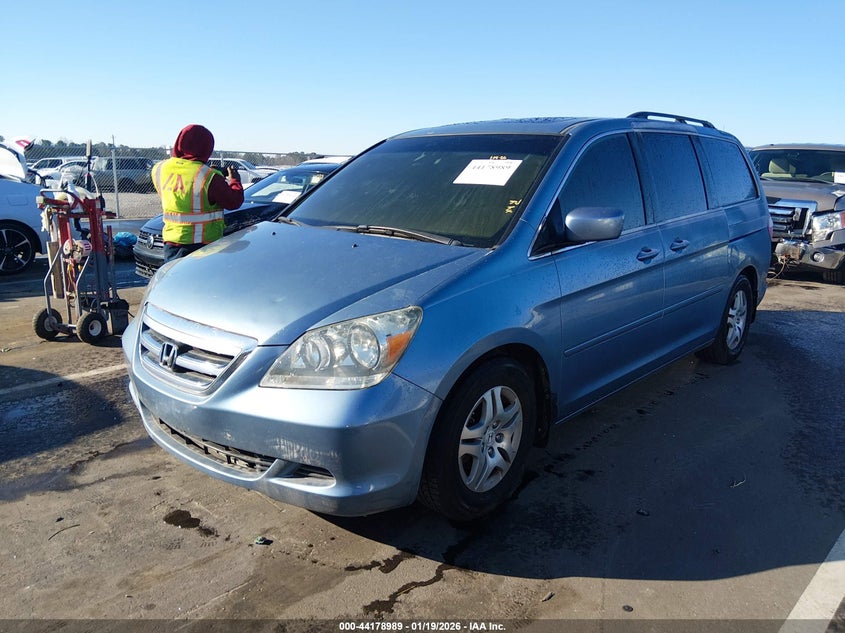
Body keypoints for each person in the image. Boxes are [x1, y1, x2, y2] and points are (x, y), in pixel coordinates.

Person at [152, 124, 244, 263]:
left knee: (175, 281)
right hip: (202, 247)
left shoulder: (159, 169)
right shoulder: (208, 176)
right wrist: (234, 181)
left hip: (171, 243)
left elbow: (183, 186)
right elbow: (234, 201)